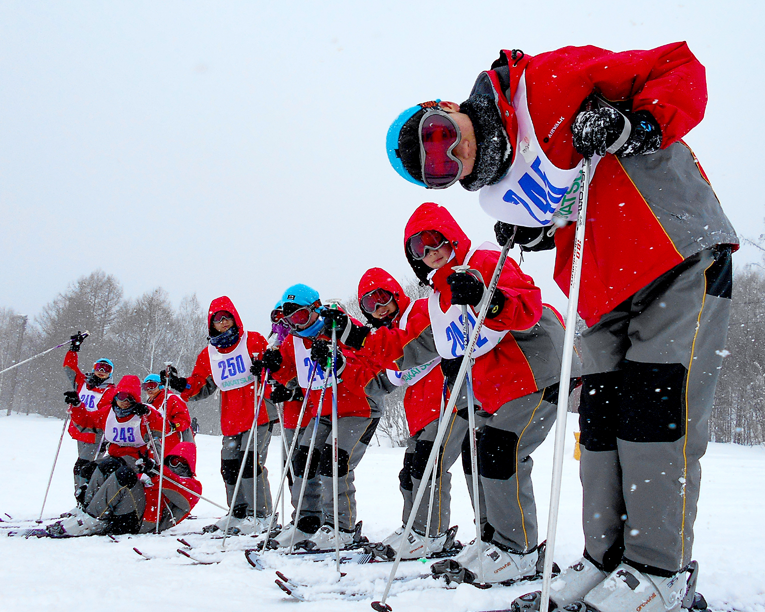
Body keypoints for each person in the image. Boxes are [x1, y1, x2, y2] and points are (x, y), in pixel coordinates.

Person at [386, 43, 737, 611]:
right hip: (601, 285)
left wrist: (636, 125)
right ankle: (604, 563)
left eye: (437, 132)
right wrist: (541, 233)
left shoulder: (544, 82)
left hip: (672, 248)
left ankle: (658, 570)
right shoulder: (507, 191)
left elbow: (678, 68)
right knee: (600, 425)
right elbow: (575, 198)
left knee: (653, 414)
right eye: (440, 165)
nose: (452, 148)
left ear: (445, 105)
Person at [353, 267, 467, 560]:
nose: (379, 308)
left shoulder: (417, 310)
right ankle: (414, 528)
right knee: (410, 472)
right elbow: (390, 377)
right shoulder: (387, 335)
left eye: (381, 298)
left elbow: (422, 344)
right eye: (369, 305)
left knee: (430, 468)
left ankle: (432, 534)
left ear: (394, 293)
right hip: (420, 410)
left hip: (446, 400)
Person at [266, 284, 384, 550]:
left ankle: (341, 527)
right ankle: (308, 521)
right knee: (303, 458)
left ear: (316, 309)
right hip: (324, 408)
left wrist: (339, 359)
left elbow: (371, 360)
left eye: (302, 316)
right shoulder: (294, 341)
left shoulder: (339, 326)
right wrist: (272, 368)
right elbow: (291, 375)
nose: (297, 325)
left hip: (359, 407)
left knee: (335, 461)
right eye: (290, 319)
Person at [163, 296, 277, 535]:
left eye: (227, 318)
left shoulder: (252, 340)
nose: (223, 323)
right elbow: (200, 385)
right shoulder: (210, 354)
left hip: (259, 412)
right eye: (217, 320)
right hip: (232, 417)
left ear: (235, 319)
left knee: (250, 464)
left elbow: (275, 366)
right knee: (230, 465)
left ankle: (261, 515)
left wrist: (266, 367)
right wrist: (179, 383)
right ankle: (238, 512)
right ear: (211, 325)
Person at [53, 375, 165, 536]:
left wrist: (148, 413)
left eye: (129, 399)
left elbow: (163, 428)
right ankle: (86, 509)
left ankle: (94, 516)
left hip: (136, 460)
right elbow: (87, 422)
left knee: (116, 472)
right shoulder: (109, 412)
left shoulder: (143, 414)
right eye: (120, 397)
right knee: (92, 468)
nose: (124, 402)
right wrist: (77, 406)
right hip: (114, 456)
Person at [61, 331, 116, 510]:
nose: (101, 372)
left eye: (106, 369)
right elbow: (69, 368)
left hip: (95, 434)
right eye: (99, 367)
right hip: (80, 431)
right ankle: (86, 502)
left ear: (110, 373)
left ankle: (86, 503)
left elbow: (104, 416)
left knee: (82, 468)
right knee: (86, 468)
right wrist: (74, 348)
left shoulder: (110, 391)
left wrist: (105, 439)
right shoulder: (83, 382)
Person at [142, 373, 193, 453]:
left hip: (169, 445)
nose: (149, 389)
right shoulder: (147, 404)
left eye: (152, 386)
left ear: (161, 385)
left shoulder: (171, 399)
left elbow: (184, 420)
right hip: (153, 447)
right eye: (145, 387)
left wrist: (173, 426)